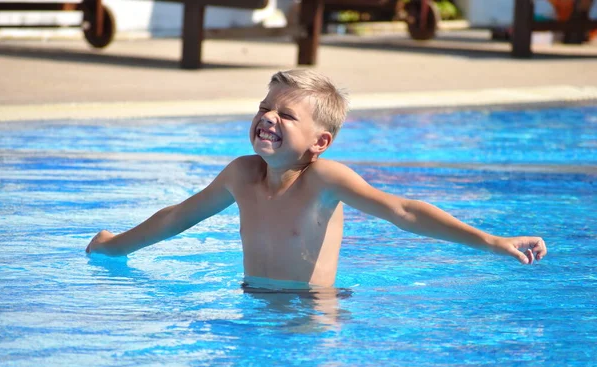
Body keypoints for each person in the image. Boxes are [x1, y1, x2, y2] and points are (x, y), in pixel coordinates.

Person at [86, 69, 547, 289]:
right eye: (264, 107)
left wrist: (491, 241)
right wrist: (114, 246)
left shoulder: (324, 180)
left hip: (313, 315)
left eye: (285, 114)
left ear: (319, 142)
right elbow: (177, 218)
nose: (268, 117)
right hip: (251, 302)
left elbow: (403, 212)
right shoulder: (241, 174)